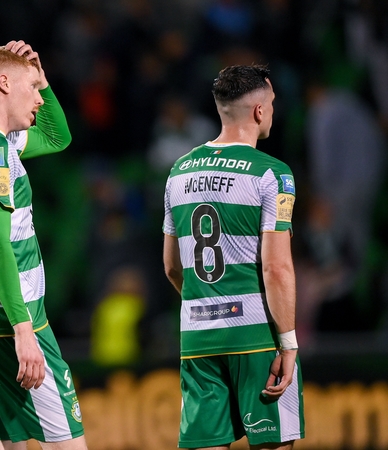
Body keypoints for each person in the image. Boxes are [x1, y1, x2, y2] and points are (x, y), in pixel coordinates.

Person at [0, 40, 87, 449]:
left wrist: (42, 75)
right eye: (33, 87)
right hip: (13, 320)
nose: (40, 98)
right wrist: (24, 331)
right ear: (3, 83)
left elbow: (58, 138)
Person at [162, 65, 304, 450]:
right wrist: (288, 344)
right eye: (271, 103)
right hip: (256, 337)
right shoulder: (273, 174)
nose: (272, 111)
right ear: (259, 111)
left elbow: (172, 267)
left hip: (197, 336)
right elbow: (276, 268)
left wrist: (207, 306)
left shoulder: (178, 171)